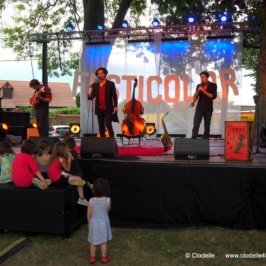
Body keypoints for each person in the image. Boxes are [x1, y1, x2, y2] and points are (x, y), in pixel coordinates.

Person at [47, 141, 88, 206]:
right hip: (58, 179)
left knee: (72, 176)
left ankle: (80, 195)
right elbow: (68, 169)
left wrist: (66, 174)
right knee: (79, 178)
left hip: (53, 177)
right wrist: (69, 158)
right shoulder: (61, 159)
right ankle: (81, 198)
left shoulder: (53, 157)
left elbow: (56, 169)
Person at [87, 67, 118, 137]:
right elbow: (92, 97)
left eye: (101, 73)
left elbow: (114, 96)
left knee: (108, 125)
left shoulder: (111, 84)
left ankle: (112, 141)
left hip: (108, 108)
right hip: (99, 108)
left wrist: (115, 106)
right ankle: (103, 142)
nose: (100, 75)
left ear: (105, 74)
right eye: (98, 74)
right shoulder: (95, 85)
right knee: (101, 127)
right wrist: (88, 96)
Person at [87, 178, 112, 264]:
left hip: (93, 223)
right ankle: (104, 257)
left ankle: (92, 258)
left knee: (92, 242)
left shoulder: (91, 201)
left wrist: (89, 223)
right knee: (103, 242)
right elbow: (108, 209)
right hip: (103, 223)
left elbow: (89, 213)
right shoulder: (108, 200)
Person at [190, 71, 217, 139]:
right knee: (196, 124)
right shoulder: (199, 86)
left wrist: (203, 90)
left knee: (207, 125)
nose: (202, 78)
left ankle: (205, 141)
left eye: (204, 77)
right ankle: (193, 140)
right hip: (199, 108)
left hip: (208, 108)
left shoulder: (213, 85)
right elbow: (196, 97)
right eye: (201, 77)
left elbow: (213, 96)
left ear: (207, 77)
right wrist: (194, 101)